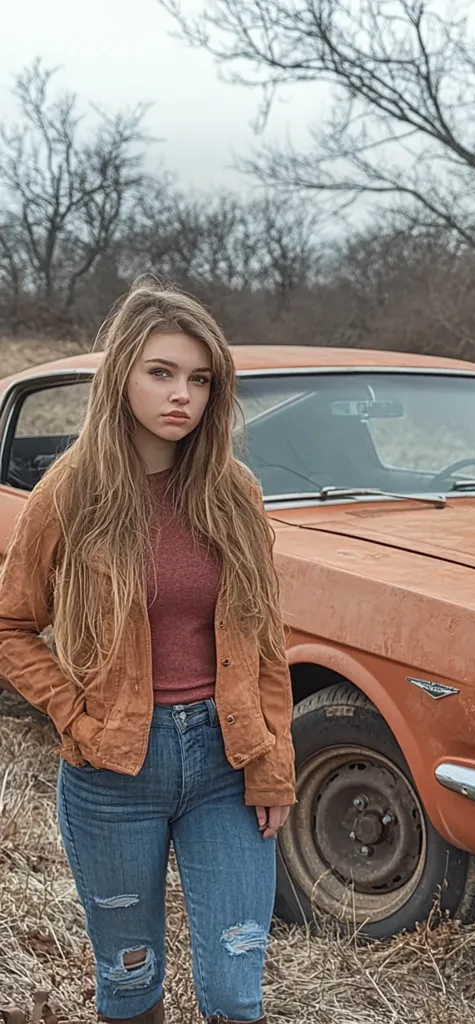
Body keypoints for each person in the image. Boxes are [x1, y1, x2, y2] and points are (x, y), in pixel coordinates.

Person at [0, 282, 296, 1024]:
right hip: (112, 775)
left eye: (200, 380)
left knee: (234, 992)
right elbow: (9, 625)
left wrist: (274, 765)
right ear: (122, 373)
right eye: (161, 372)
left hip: (227, 763)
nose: (182, 396)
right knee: (130, 987)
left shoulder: (234, 493)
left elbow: (263, 637)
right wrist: (78, 716)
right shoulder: (71, 493)